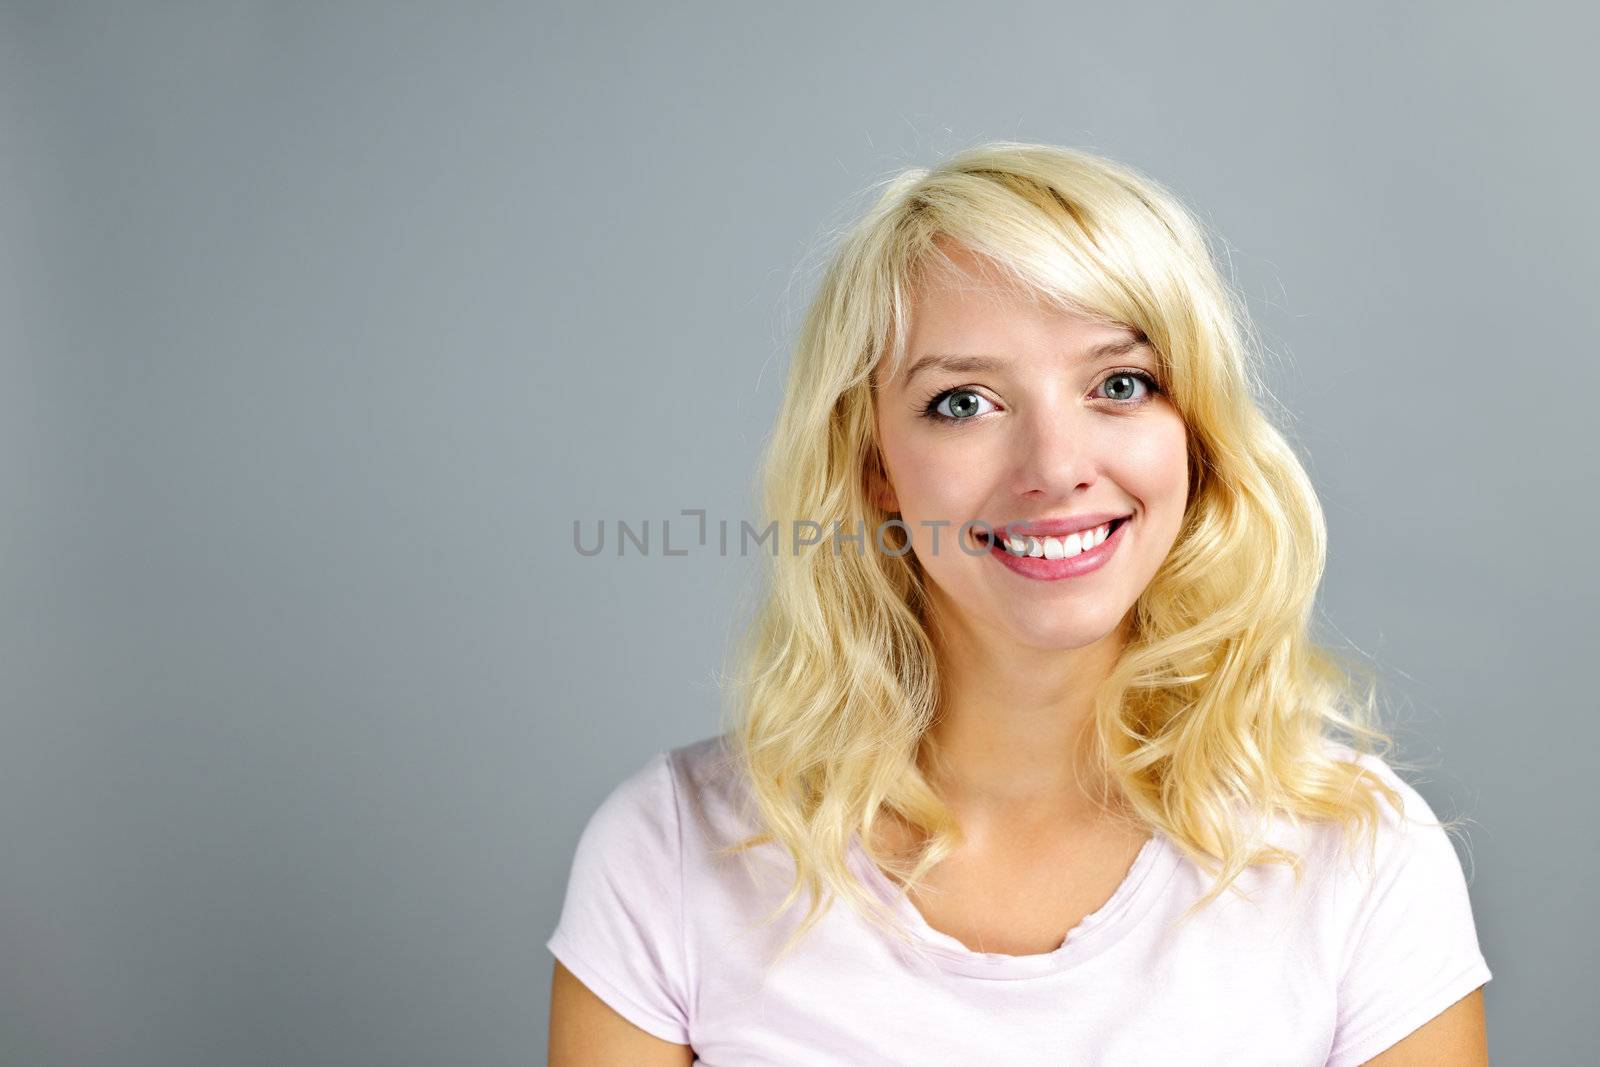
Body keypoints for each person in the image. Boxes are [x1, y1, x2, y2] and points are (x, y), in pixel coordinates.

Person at [546, 142, 1492, 1065]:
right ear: (874, 464)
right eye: (964, 402)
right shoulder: (670, 856)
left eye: (1120, 385)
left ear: (1195, 432)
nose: (1056, 467)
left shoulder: (1361, 858)